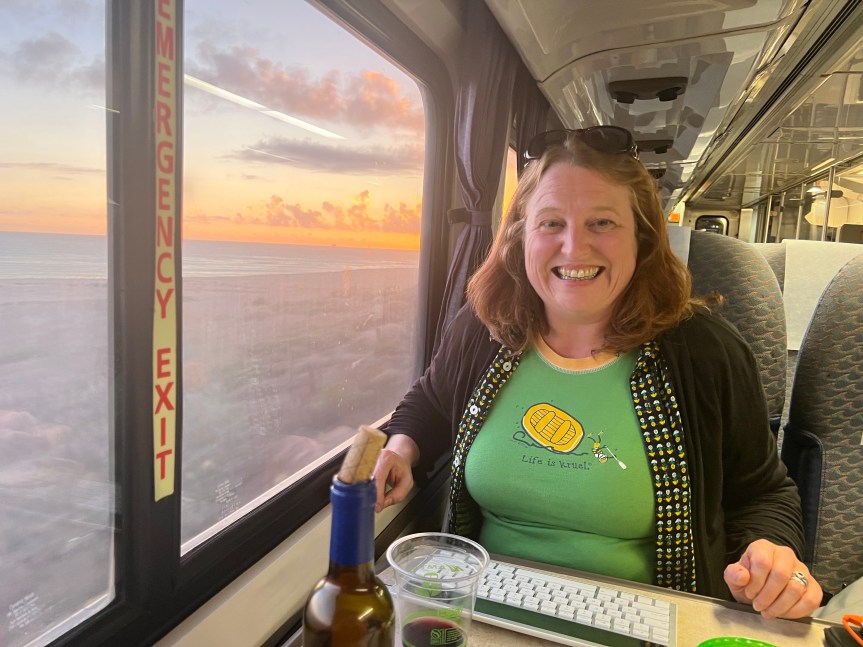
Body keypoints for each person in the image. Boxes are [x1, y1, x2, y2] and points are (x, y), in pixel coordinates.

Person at [373, 126, 823, 619]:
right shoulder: (486, 329)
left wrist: (775, 555)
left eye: (602, 223)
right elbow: (433, 403)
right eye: (551, 224)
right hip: (485, 609)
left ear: (643, 239)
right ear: (522, 235)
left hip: (639, 621)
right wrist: (401, 445)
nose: (573, 248)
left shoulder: (704, 351)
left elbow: (764, 493)